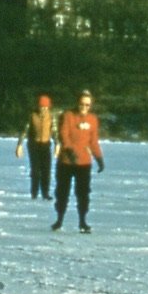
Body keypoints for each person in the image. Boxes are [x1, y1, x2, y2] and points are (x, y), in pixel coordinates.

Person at [52, 89, 105, 232]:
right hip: (66, 162)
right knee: (62, 192)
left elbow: (93, 141)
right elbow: (64, 135)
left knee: (83, 193)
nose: (84, 107)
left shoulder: (93, 119)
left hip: (83, 163)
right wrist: (69, 150)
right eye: (82, 104)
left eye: (87, 105)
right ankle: (59, 219)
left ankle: (82, 221)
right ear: (77, 103)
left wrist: (99, 158)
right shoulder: (68, 116)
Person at [15, 93, 55, 199]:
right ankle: (34, 193)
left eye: (46, 107)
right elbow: (25, 130)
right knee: (35, 170)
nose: (44, 109)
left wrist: (57, 144)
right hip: (34, 145)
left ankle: (45, 193)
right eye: (42, 107)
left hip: (46, 145)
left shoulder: (51, 117)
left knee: (46, 170)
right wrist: (19, 145)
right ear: (38, 106)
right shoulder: (32, 116)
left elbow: (55, 131)